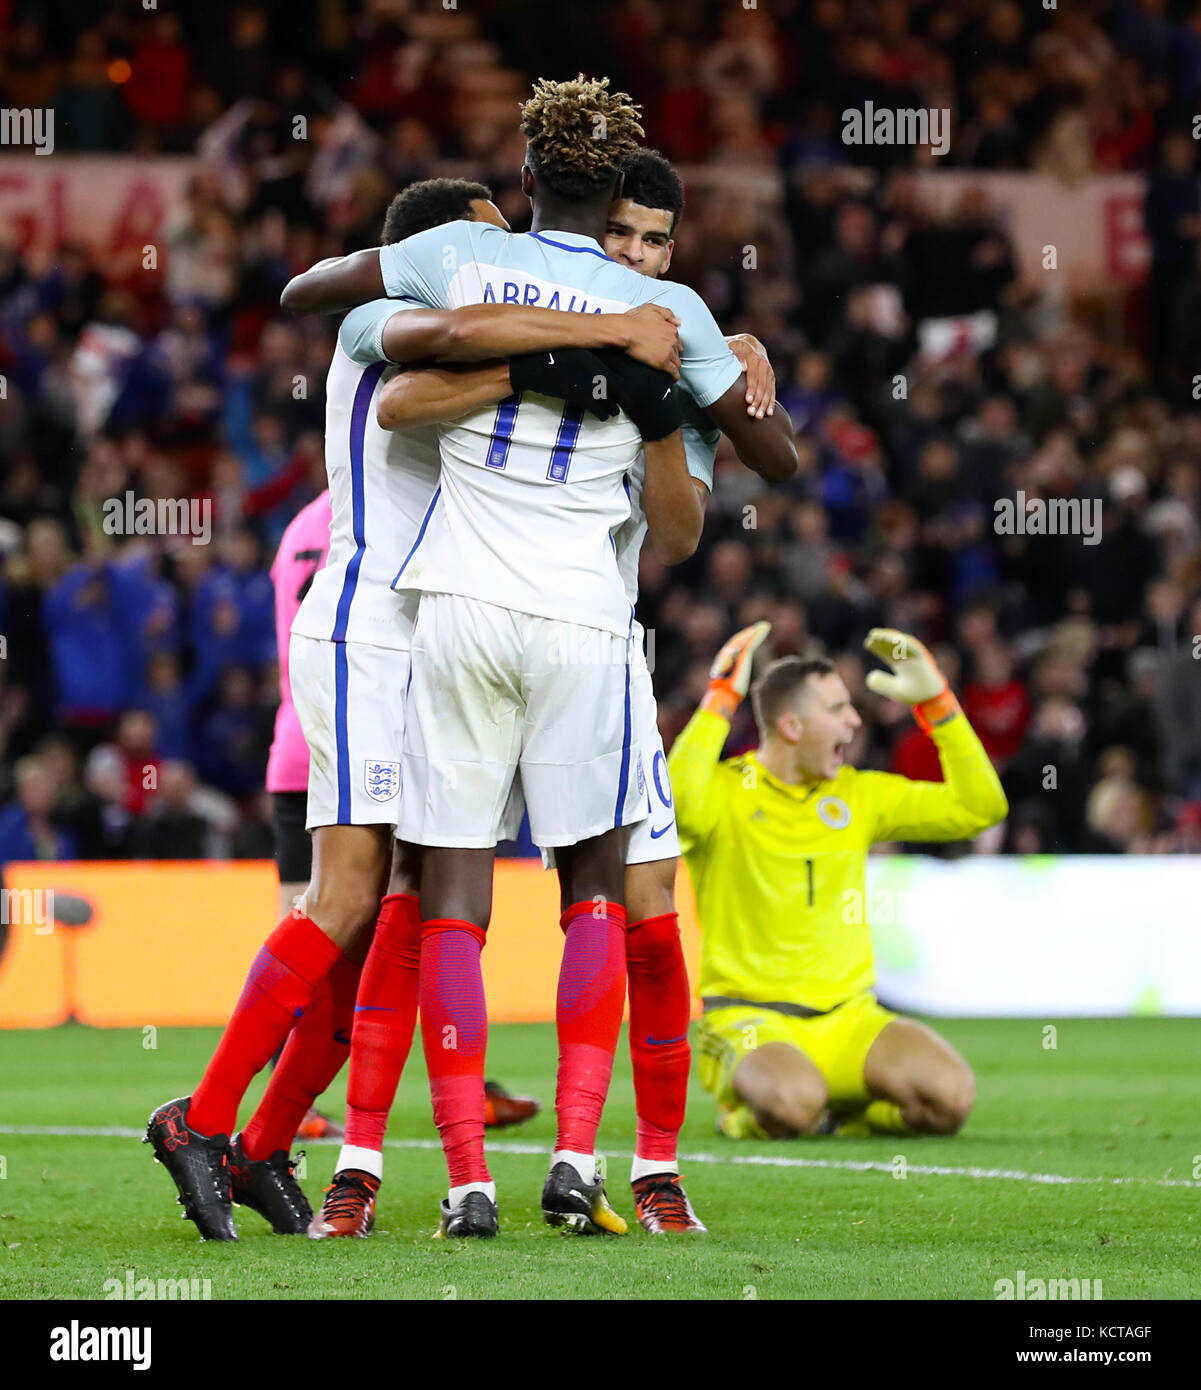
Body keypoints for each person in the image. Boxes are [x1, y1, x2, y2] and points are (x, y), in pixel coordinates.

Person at [290, 74, 796, 1241]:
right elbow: (778, 461)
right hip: (586, 622)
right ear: (612, 194)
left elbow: (344, 322)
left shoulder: (456, 264)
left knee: (446, 900)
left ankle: (460, 1178)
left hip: (455, 608)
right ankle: (578, 1155)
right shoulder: (663, 312)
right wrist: (703, 375)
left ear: (522, 179)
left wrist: (515, 348)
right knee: (596, 902)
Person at [144, 176, 677, 1241]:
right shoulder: (389, 325)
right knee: (344, 897)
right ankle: (199, 1121)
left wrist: (723, 355)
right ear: (435, 255)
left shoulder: (470, 340)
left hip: (439, 629)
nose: (514, 266)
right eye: (490, 250)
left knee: (399, 906)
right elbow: (465, 332)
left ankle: (262, 1142)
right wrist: (611, 326)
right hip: (367, 629)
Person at [669, 625, 1007, 1140]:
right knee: (792, 1100)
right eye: (836, 709)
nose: (854, 720)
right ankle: (747, 1117)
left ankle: (840, 1122)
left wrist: (938, 707)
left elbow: (980, 807)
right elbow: (678, 805)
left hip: (850, 1020)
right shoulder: (724, 791)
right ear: (791, 726)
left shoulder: (858, 795)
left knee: (950, 1098)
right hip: (751, 1019)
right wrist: (719, 699)